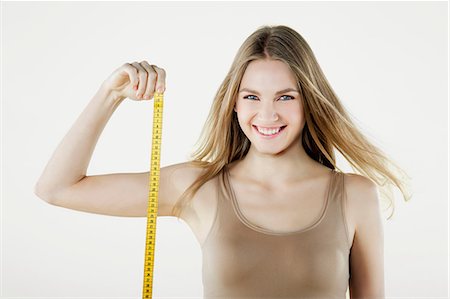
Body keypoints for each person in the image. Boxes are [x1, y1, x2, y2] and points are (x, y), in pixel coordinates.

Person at [35, 25, 411, 298]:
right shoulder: (198, 187)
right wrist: (110, 94)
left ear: (309, 100)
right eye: (251, 97)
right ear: (233, 102)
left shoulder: (355, 195)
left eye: (285, 97)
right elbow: (57, 188)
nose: (267, 115)